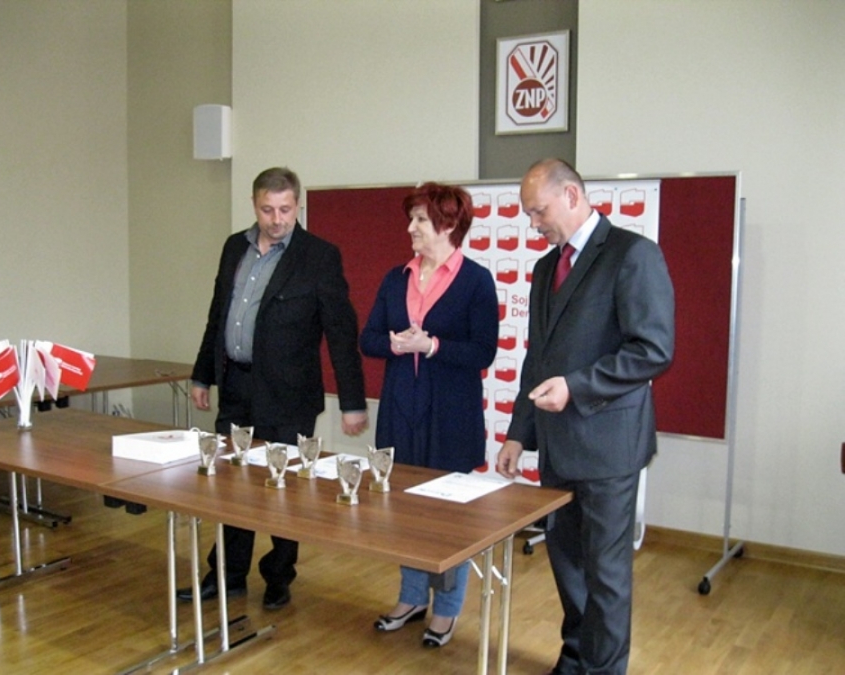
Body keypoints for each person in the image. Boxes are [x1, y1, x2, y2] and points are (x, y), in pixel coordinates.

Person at [496, 159, 674, 675]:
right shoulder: (544, 269)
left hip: (609, 449)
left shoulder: (632, 255)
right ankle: (576, 657)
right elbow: (537, 358)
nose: (534, 224)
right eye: (528, 215)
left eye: (539, 212)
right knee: (568, 565)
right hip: (557, 446)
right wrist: (517, 434)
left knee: (606, 575)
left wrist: (576, 387)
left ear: (572, 195)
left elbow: (652, 350)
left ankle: (603, 669)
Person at [178, 167, 368, 610]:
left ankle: (279, 577)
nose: (277, 219)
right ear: (254, 205)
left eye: (285, 209)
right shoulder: (234, 247)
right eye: (267, 209)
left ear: (297, 205)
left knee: (283, 489)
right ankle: (227, 575)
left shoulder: (318, 256)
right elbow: (218, 315)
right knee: (231, 486)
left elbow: (341, 332)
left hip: (289, 396)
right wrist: (203, 374)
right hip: (237, 386)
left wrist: (353, 402)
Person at [360, 182, 498, 648]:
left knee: (447, 519)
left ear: (448, 223)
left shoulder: (476, 280)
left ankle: (446, 609)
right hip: (401, 409)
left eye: (420, 219)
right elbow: (368, 339)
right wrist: (395, 344)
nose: (411, 228)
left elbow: (483, 351)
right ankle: (412, 597)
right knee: (404, 510)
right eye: (412, 218)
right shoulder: (394, 278)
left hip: (450, 416)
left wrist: (433, 345)